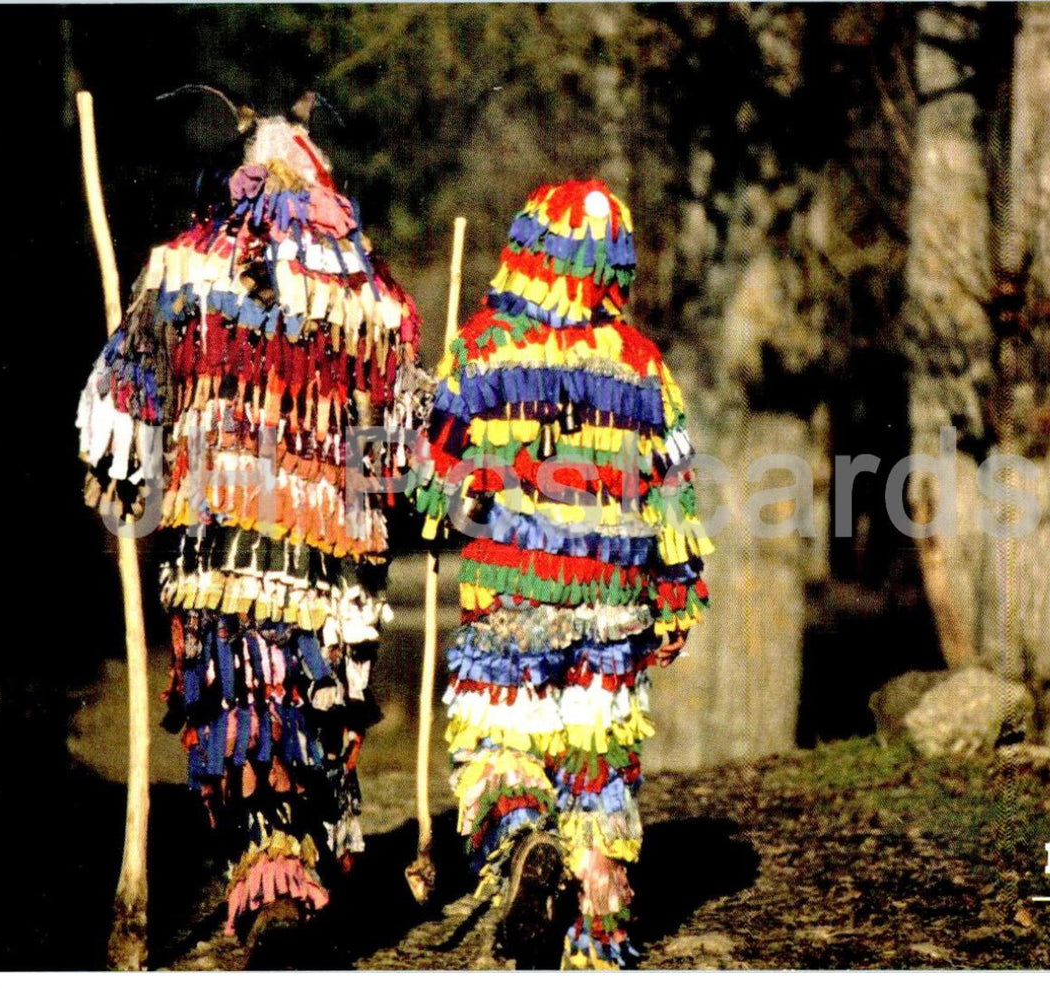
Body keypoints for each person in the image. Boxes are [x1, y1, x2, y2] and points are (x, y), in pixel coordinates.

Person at [75, 108, 426, 939]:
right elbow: (401, 434)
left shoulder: (182, 266)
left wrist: (121, 463)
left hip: (217, 541)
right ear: (320, 178)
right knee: (308, 701)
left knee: (239, 700)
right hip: (327, 555)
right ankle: (287, 868)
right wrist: (409, 491)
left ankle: (270, 869)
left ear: (246, 177)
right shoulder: (369, 291)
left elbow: (127, 395)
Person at [410, 179, 714, 969]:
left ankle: (520, 848)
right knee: (596, 764)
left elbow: (425, 481)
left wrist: (450, 494)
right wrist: (676, 596)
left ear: (527, 250)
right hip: (614, 608)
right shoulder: (643, 366)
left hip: (512, 597)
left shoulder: (480, 347)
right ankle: (595, 927)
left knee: (500, 745)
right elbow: (673, 492)